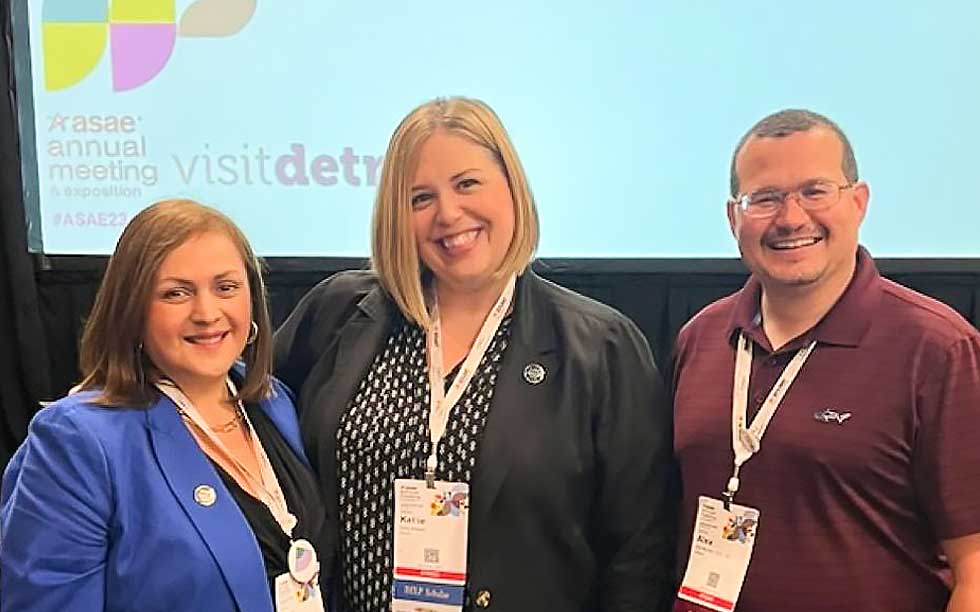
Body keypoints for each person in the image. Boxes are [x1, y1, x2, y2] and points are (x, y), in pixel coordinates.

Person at [274, 96, 675, 611]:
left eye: (467, 184)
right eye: (420, 198)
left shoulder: (600, 347)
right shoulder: (336, 315)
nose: (448, 214)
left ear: (511, 186)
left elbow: (639, 552)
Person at [672, 109, 980, 612]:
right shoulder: (701, 337)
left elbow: (976, 572)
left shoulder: (938, 350)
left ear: (858, 203)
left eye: (815, 191)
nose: (791, 218)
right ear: (733, 218)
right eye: (765, 198)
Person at [1, 199, 325, 612]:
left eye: (226, 287)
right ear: (132, 311)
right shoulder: (77, 442)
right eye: (175, 293)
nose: (207, 313)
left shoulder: (274, 403)